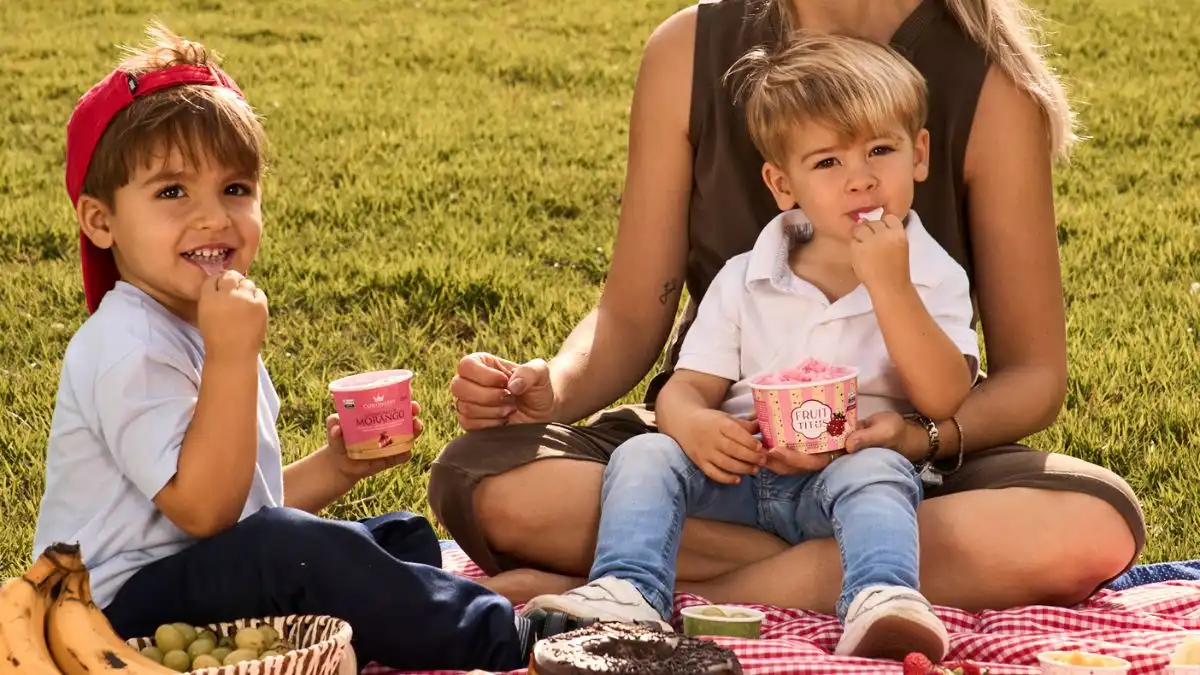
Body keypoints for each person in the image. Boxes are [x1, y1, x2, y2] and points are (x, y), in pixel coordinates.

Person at [430, 0, 1145, 616]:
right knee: (486, 479)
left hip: (906, 462)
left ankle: (646, 577)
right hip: (721, 454)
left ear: (916, 152)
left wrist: (915, 437)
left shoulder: (991, 81)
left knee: (1094, 524)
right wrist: (555, 383)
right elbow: (629, 313)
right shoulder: (689, 50)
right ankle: (862, 571)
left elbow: (1033, 376)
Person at [32, 23, 589, 673]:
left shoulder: (201, 319)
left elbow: (246, 510)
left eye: (235, 189)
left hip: (189, 577)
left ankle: (416, 612)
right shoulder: (126, 344)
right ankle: (511, 636)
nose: (213, 216)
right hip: (108, 615)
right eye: (172, 191)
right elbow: (209, 513)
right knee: (299, 553)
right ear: (101, 220)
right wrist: (232, 355)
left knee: (398, 537)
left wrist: (336, 466)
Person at [522, 33, 978, 663]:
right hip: (741, 475)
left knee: (879, 473)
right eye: (827, 163)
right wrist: (696, 425)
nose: (861, 179)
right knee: (648, 454)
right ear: (781, 183)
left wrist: (892, 287)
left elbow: (945, 397)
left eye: (880, 149)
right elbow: (686, 388)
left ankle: (882, 598)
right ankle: (627, 589)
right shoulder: (747, 275)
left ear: (919, 154)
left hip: (845, 479)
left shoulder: (933, 273)